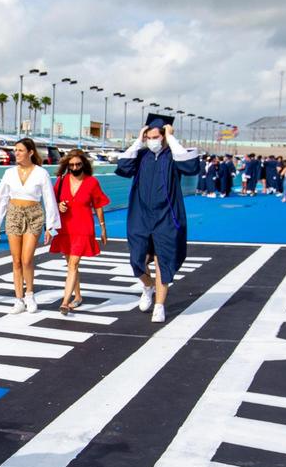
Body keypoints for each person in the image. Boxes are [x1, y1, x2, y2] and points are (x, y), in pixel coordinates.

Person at [115, 114, 199, 323]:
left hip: (166, 216)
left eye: (156, 137)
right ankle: (147, 285)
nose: (152, 140)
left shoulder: (173, 155)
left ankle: (159, 305)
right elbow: (123, 167)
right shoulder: (141, 155)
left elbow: (191, 166)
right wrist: (138, 140)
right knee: (137, 260)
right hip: (140, 215)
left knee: (164, 260)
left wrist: (171, 138)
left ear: (163, 136)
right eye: (149, 136)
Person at [0, 137, 61, 314]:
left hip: (34, 215)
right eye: (15, 150)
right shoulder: (9, 173)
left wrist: (51, 226)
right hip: (13, 215)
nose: (17, 153)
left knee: (27, 259)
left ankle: (30, 294)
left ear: (30, 152)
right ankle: (19, 299)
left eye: (20, 150)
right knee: (16, 260)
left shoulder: (41, 173)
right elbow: (1, 197)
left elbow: (49, 199)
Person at [50, 149, 109, 314]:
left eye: (78, 164)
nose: (75, 167)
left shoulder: (92, 182)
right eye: (71, 165)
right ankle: (78, 296)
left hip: (83, 228)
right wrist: (59, 205)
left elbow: (98, 206)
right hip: (65, 228)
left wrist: (103, 228)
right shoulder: (61, 181)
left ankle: (64, 301)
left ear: (84, 164)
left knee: (73, 264)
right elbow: (52, 201)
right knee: (71, 265)